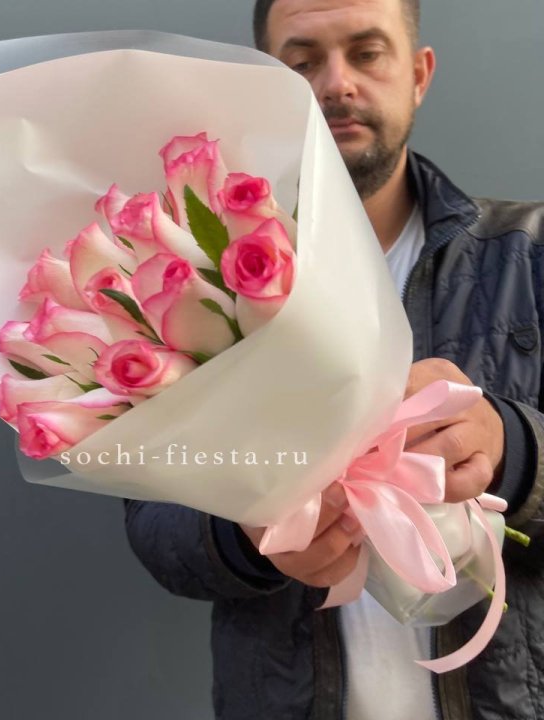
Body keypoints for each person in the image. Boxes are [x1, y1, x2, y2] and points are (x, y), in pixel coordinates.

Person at [124, 1, 544, 717]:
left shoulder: (529, 254)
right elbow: (152, 525)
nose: (337, 82)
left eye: (367, 52)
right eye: (303, 61)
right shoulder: (195, 287)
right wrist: (244, 536)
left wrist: (515, 450)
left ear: (419, 74)